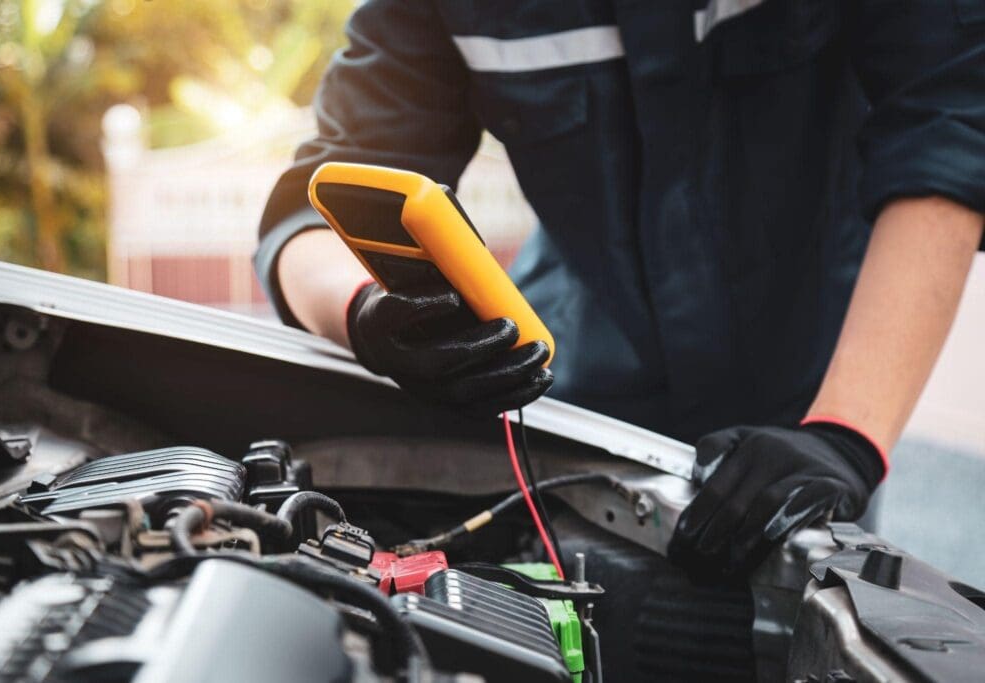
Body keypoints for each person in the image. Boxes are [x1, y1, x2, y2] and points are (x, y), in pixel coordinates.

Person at [254, 1, 985, 576]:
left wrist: (847, 434)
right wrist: (364, 312)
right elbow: (314, 204)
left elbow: (952, 122)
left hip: (812, 411)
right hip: (573, 411)